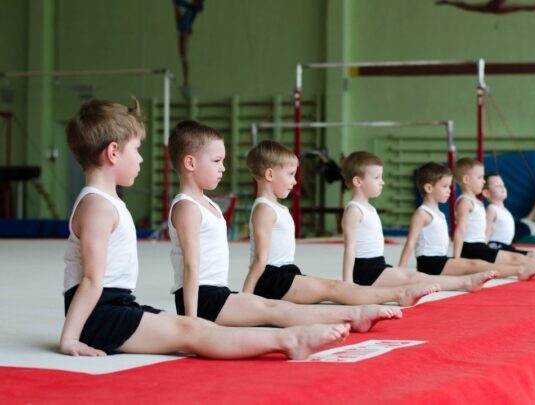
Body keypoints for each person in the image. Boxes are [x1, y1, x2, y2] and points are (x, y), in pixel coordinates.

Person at [61, 98, 348, 360]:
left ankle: (293, 335)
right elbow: (89, 280)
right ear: (113, 152)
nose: (141, 159)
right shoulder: (97, 207)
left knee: (188, 326)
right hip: (99, 317)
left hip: (116, 307)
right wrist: (71, 338)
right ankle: (287, 340)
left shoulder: (106, 202)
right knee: (192, 332)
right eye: (136, 150)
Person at [167, 121, 402, 333]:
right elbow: (191, 265)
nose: (223, 168)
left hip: (217, 293)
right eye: (217, 161)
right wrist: (191, 321)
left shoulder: (209, 205)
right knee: (277, 311)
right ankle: (353, 315)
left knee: (277, 308)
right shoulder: (187, 208)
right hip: (202, 299)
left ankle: (352, 315)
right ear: (191, 162)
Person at [243, 140, 439, 307]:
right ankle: (398, 294)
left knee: (333, 289)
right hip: (271, 279)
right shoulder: (264, 209)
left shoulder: (277, 208)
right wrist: (246, 297)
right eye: (291, 174)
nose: (295, 181)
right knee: (335, 289)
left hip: (284, 273)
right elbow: (260, 259)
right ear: (269, 175)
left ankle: (391, 297)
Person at [341, 152, 496, 292]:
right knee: (415, 279)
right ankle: (464, 283)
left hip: (377, 265)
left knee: (413, 276)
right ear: (358, 181)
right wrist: (348, 282)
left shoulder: (369, 208)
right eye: (377, 178)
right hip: (365, 270)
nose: (382, 182)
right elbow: (350, 248)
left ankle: (464, 282)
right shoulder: (354, 210)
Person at [397, 162, 535, 281]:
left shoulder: (439, 214)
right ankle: (519, 271)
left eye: (449, 186)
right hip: (429, 263)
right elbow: (410, 243)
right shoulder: (422, 213)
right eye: (445, 187)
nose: (449, 190)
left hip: (441, 260)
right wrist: (402, 272)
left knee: (476, 265)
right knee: (475, 265)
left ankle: (519, 270)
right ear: (429, 188)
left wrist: (454, 258)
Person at [453, 157, 535, 271]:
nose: (482, 181)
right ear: (466, 180)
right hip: (478, 246)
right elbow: (463, 231)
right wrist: (456, 259)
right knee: (515, 259)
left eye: (483, 178)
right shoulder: (469, 203)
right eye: (480, 177)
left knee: (526, 255)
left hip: (482, 246)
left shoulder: (478, 203)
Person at [173, 0, 204, 99]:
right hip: (182, 30)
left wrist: (177, 2)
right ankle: (185, 81)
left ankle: (186, 82)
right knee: (182, 57)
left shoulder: (193, 8)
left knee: (184, 57)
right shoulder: (191, 8)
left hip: (185, 32)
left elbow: (182, 3)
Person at [435, 0, 535, 14]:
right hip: (495, 8)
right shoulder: (507, 7)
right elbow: (529, 8)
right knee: (524, 8)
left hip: (492, 8)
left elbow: (464, 5)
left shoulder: (484, 6)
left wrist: (447, 3)